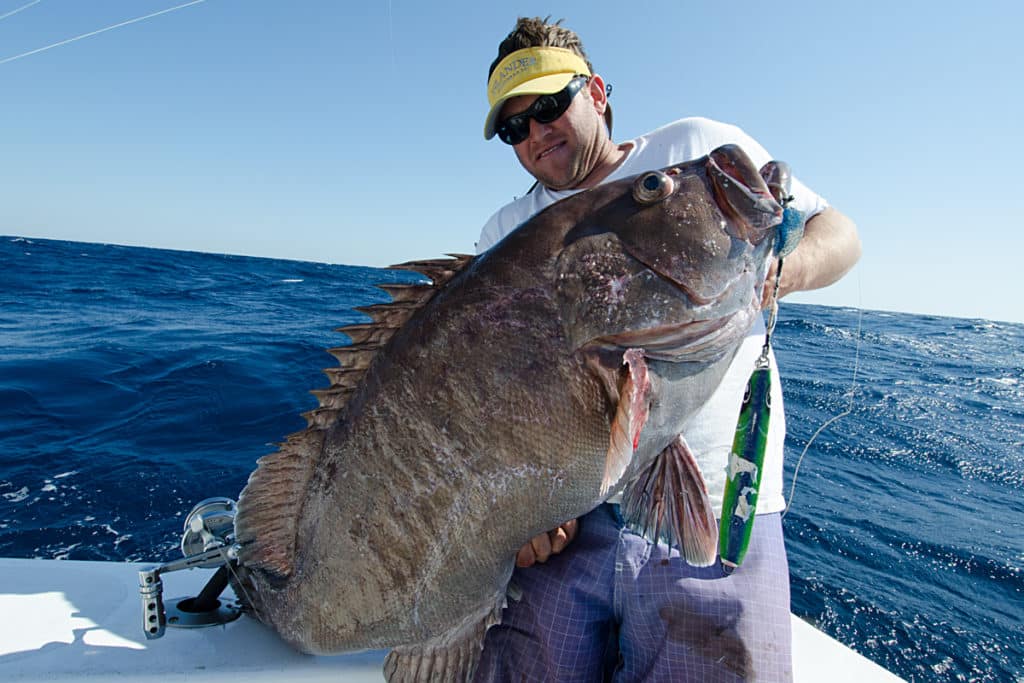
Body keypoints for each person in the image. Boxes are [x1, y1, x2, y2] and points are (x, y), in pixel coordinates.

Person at [472, 17, 862, 683]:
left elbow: (840, 232)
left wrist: (779, 272)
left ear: (595, 91)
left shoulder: (698, 155)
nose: (537, 133)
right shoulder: (506, 231)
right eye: (515, 127)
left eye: (549, 106)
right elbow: (482, 400)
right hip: (570, 524)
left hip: (714, 499)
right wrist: (513, 520)